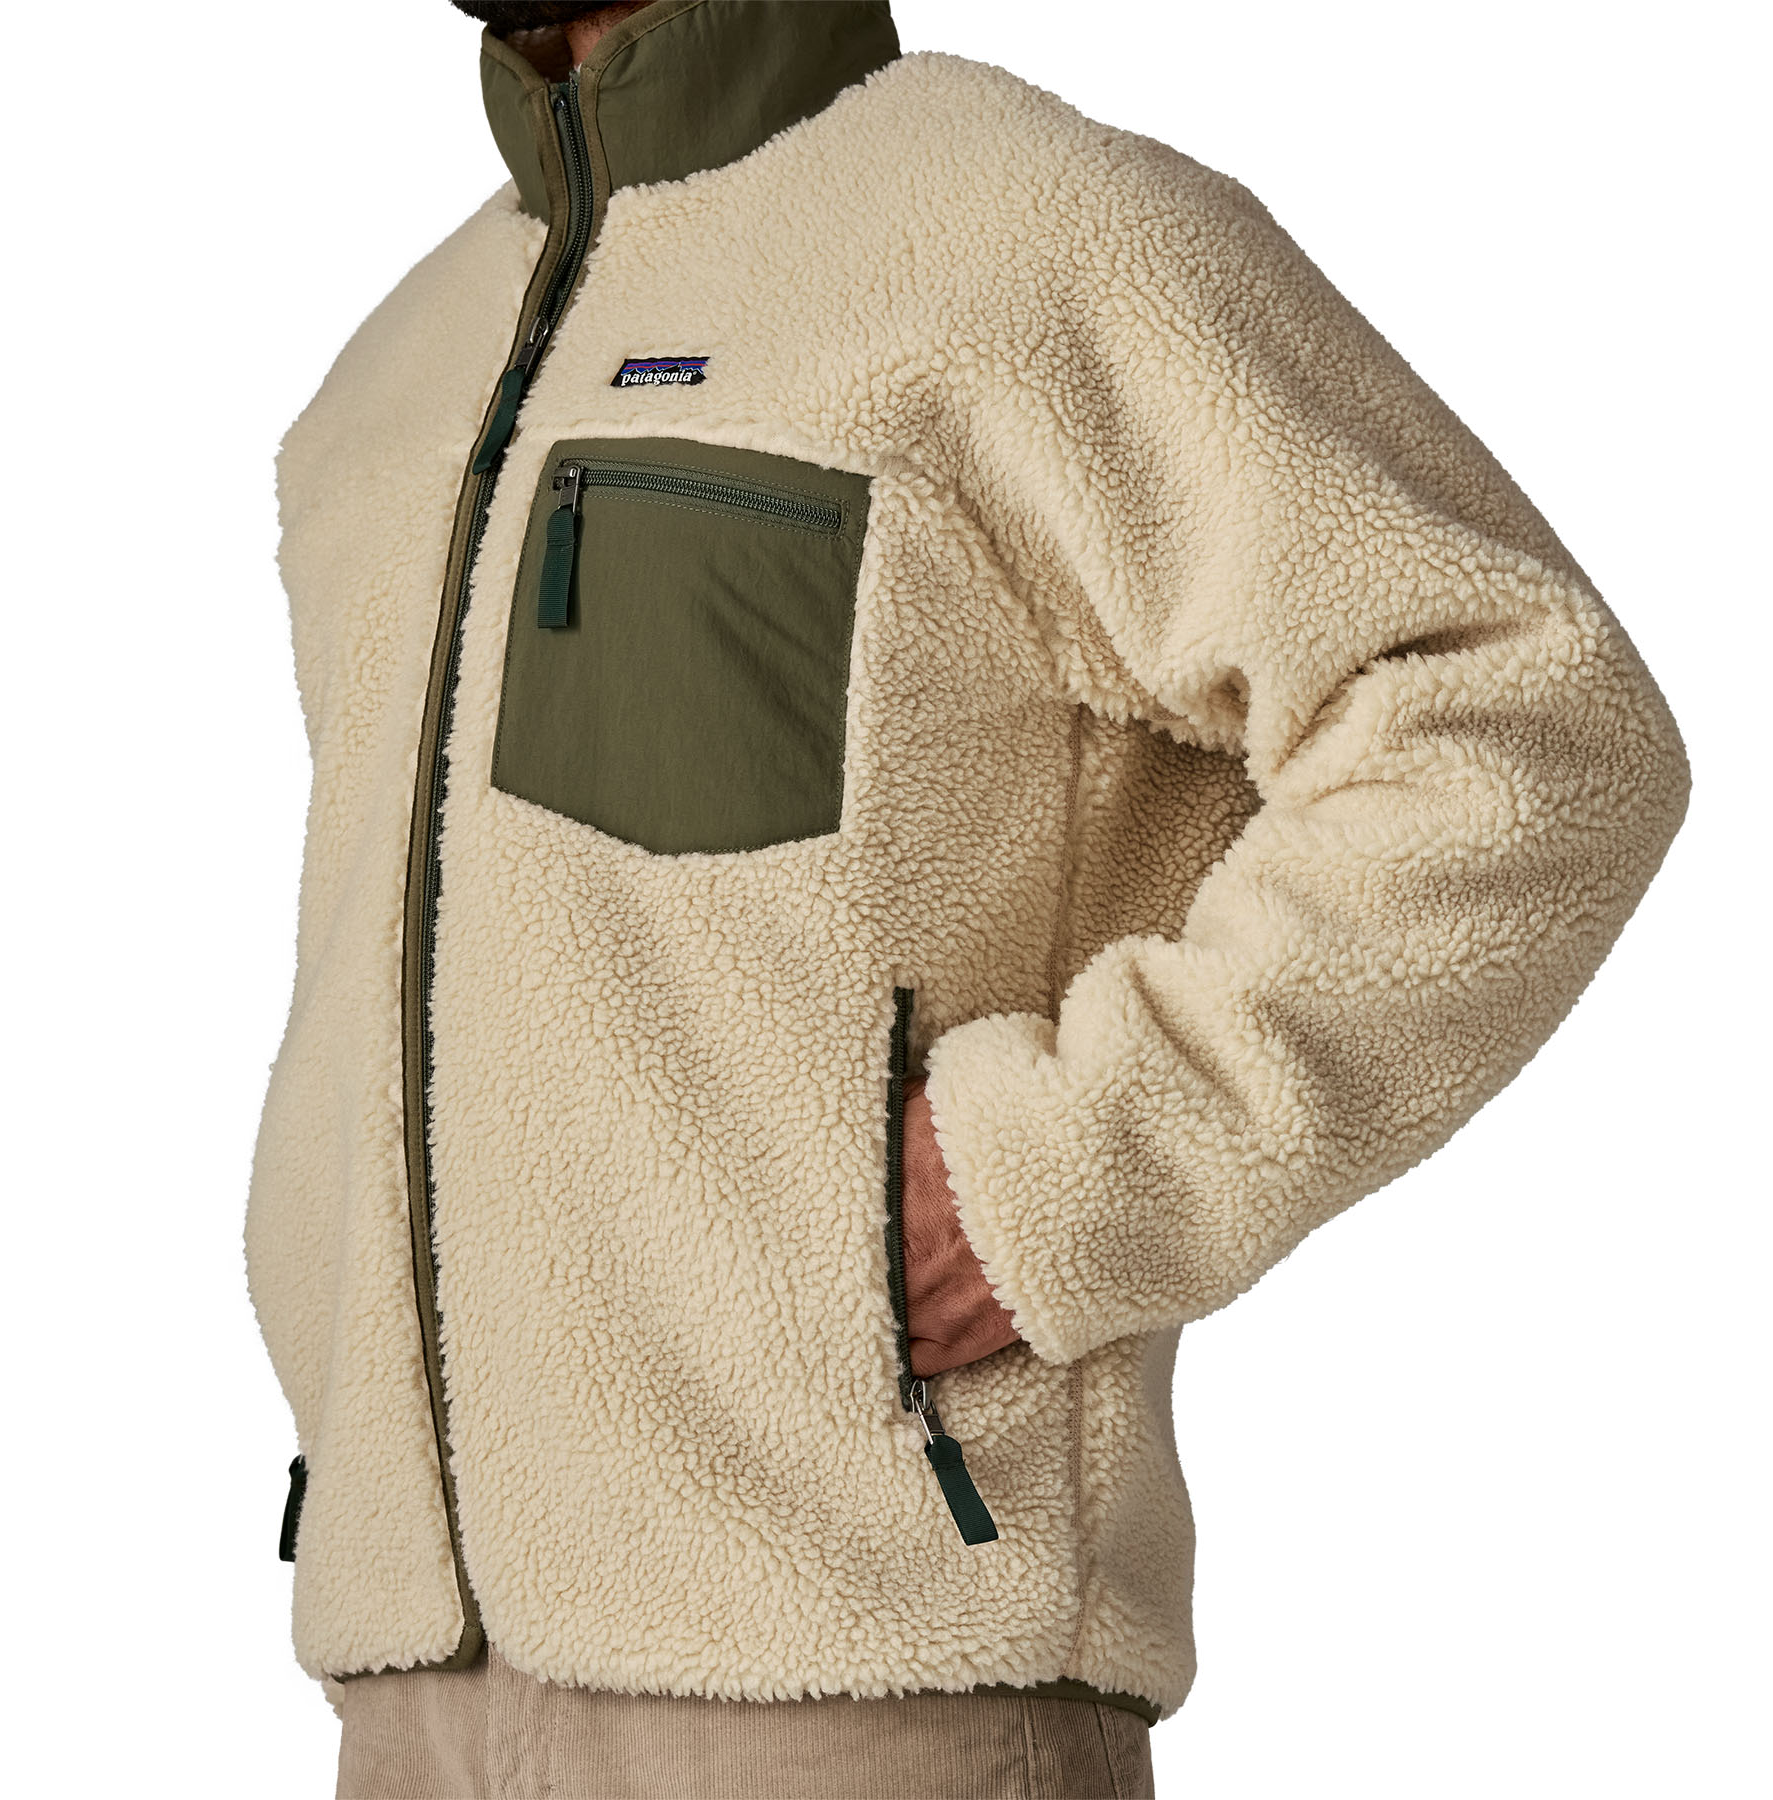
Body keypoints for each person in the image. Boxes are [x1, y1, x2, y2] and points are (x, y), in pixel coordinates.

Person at [245, 2, 1691, 1794]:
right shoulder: (385, 382)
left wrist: (1049, 1182)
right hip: (405, 1682)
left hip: (867, 1666)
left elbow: (1521, 720)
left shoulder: (1026, 237)